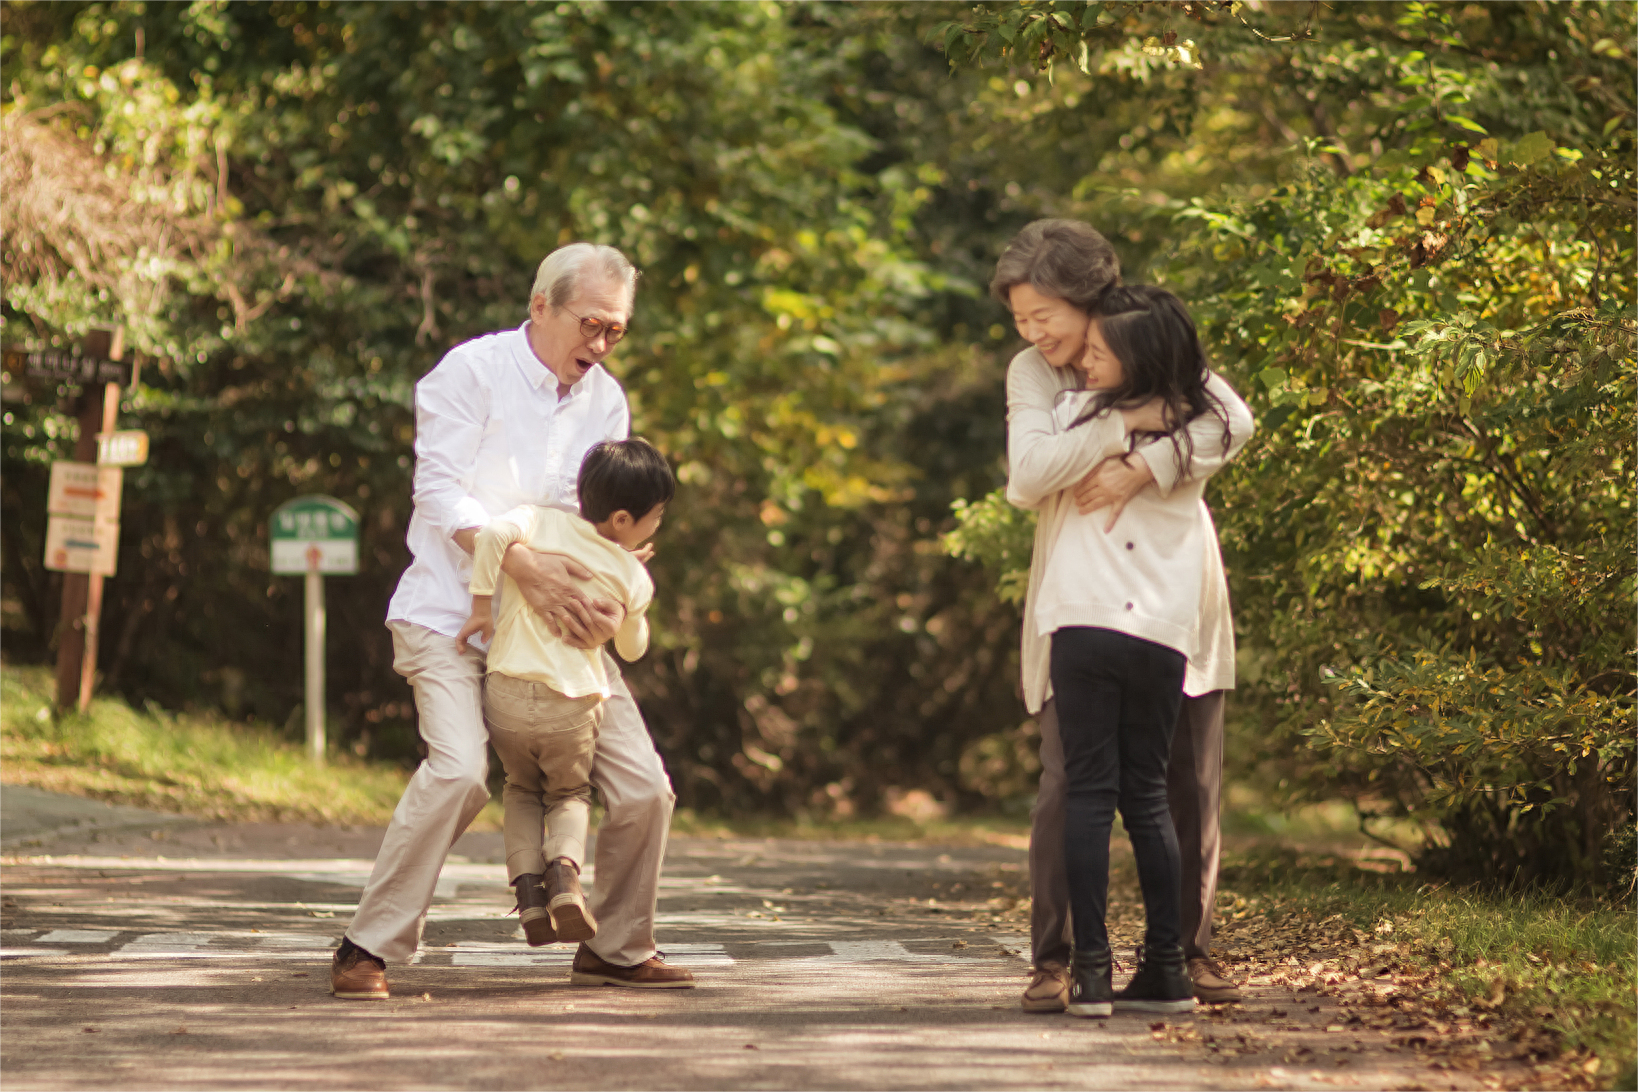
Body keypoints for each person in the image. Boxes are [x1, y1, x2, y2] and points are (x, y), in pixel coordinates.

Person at [330, 242, 694, 1000]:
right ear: (541, 308)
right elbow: (438, 492)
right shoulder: (470, 373)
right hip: (449, 613)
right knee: (461, 771)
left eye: (615, 332)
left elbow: (594, 526)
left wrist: (613, 588)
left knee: (644, 791)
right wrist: (520, 562)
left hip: (554, 630)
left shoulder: (606, 402)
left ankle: (618, 948)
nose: (599, 346)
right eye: (590, 325)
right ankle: (367, 945)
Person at [992, 219, 1253, 1014]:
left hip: (1175, 595)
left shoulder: (1153, 343)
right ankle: (1057, 958)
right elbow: (1031, 471)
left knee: (1185, 778)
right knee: (1070, 779)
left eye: (1046, 316)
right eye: (1020, 320)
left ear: (1091, 300)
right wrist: (1124, 423)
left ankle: (1185, 953)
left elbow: (1231, 422)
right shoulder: (1034, 374)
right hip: (1087, 592)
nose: (1035, 334)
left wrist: (1146, 466)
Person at [456, 438, 674, 950]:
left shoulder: (540, 522)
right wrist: (631, 601)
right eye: (656, 516)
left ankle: (528, 891)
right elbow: (632, 648)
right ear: (622, 520)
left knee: (520, 789)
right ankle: (565, 878)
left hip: (506, 691)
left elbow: (491, 536)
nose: (657, 525)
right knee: (569, 794)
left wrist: (483, 606)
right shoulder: (630, 574)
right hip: (571, 704)